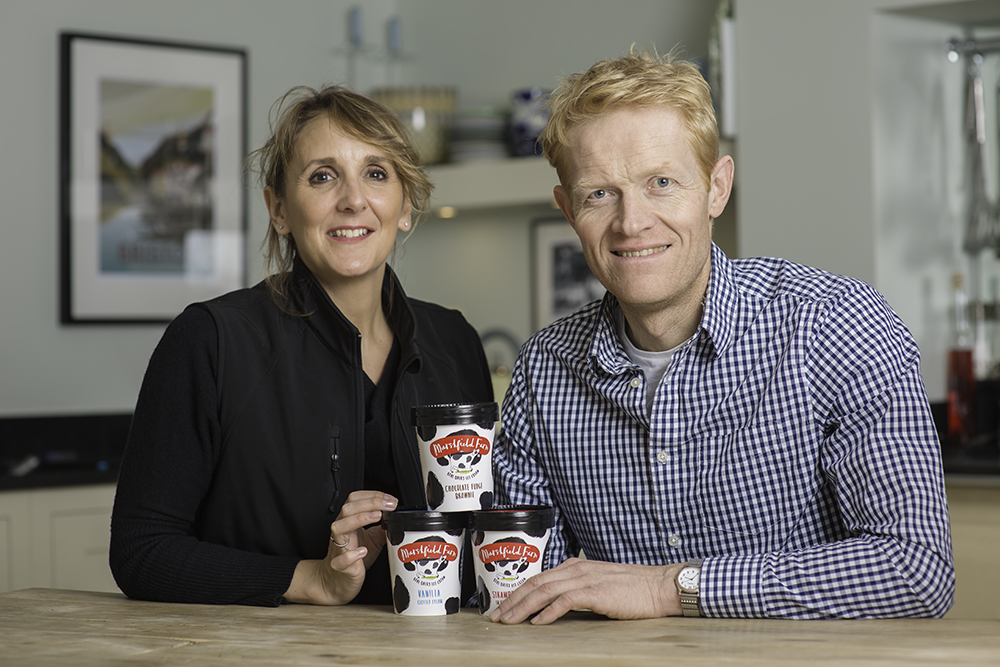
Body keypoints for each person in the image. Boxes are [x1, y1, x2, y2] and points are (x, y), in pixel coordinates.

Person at [491, 50, 955, 624]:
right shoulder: (545, 369)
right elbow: (523, 591)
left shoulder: (836, 327)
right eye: (599, 194)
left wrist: (670, 589)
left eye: (662, 183)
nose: (631, 222)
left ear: (716, 188)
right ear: (568, 210)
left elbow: (916, 571)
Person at [110, 85, 493, 607]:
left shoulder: (455, 340)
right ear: (279, 209)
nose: (354, 199)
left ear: (406, 205)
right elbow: (141, 552)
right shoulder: (211, 340)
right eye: (323, 176)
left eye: (376, 174)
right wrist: (313, 578)